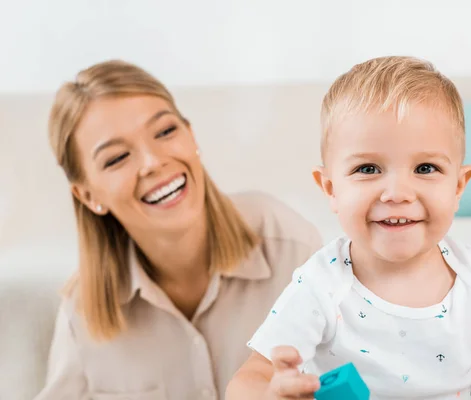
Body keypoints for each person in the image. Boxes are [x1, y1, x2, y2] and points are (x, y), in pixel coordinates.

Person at [226, 56, 471, 400]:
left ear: (458, 186)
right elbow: (250, 379)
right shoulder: (321, 283)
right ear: (331, 188)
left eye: (425, 168)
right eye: (368, 168)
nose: (397, 194)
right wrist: (270, 391)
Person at [34, 60, 322, 400]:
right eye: (116, 158)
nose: (153, 162)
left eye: (165, 132)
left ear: (191, 135)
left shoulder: (288, 245)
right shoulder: (82, 315)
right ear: (88, 195)